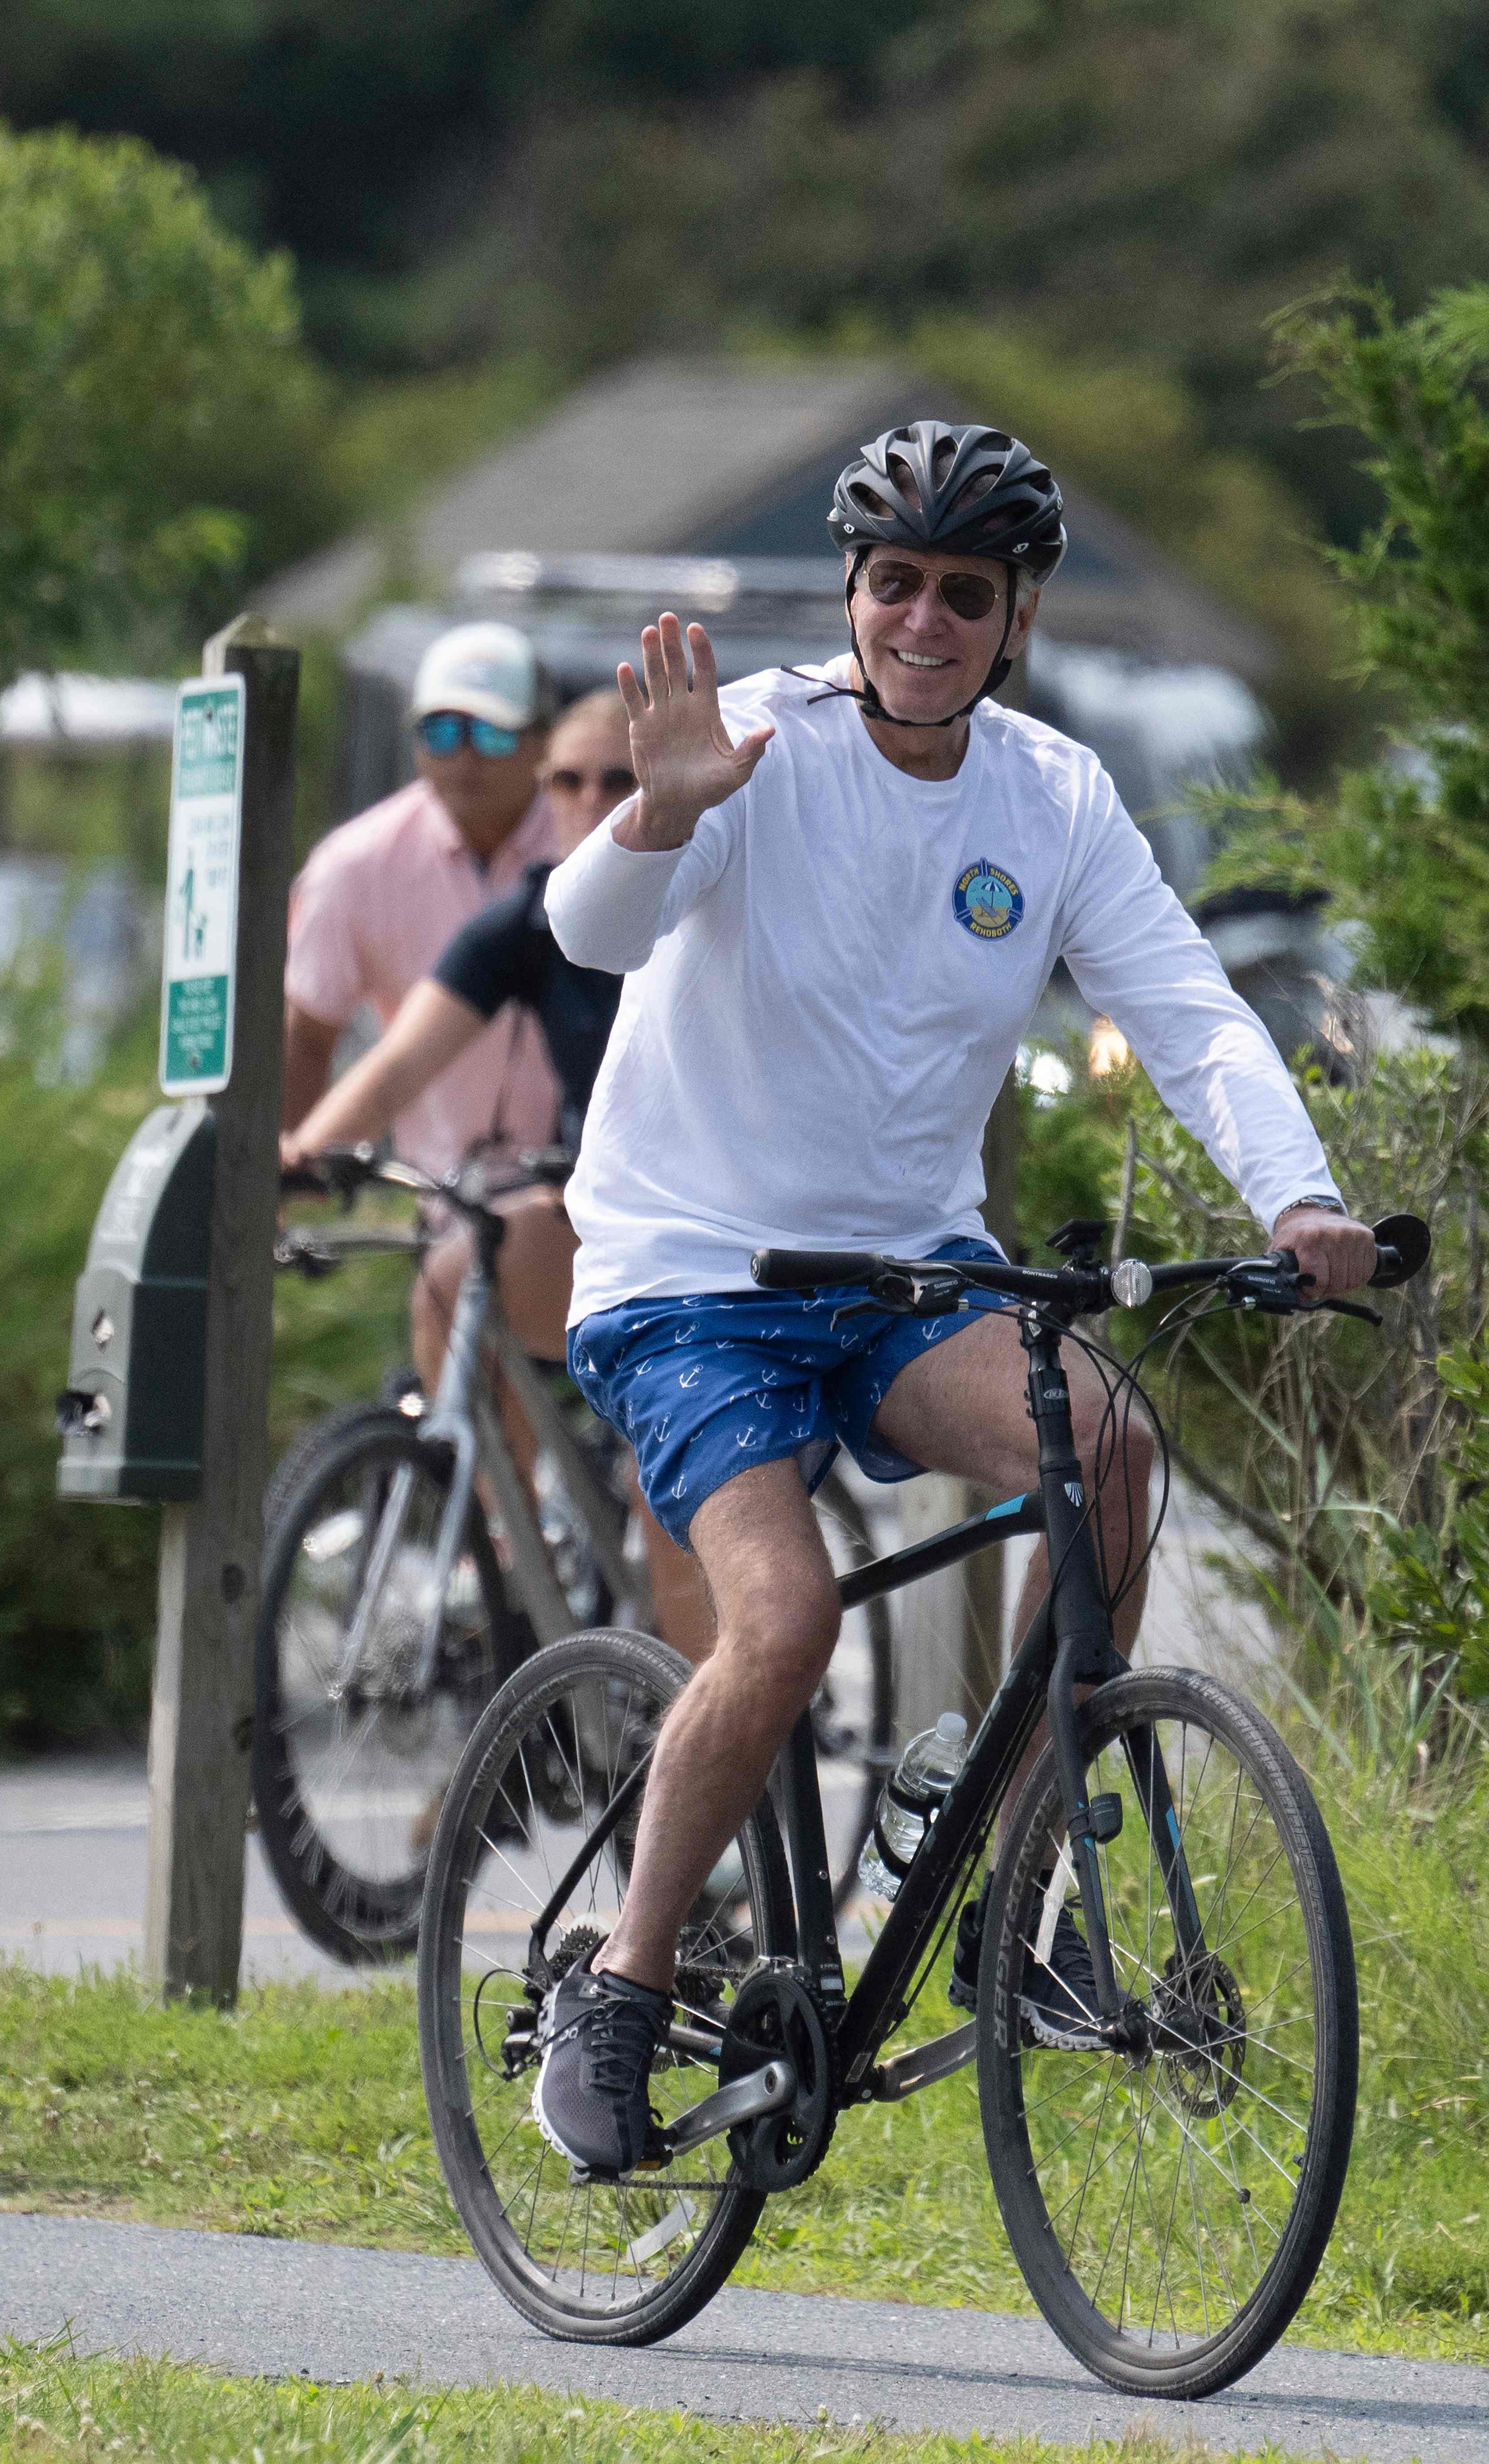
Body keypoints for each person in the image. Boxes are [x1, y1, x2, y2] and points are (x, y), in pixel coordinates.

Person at [525, 422, 1373, 2176]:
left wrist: (1299, 1196)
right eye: (894, 583)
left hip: (909, 1275)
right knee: (785, 1620)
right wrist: (658, 808)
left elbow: (1200, 1012)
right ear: (853, 594)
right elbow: (590, 934)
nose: (922, 618)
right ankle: (625, 1978)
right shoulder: (755, 740)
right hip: (695, 1275)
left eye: (962, 593)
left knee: (1115, 1456)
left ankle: (1018, 1895)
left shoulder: (1053, 798)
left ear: (1016, 620)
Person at [280, 689, 710, 1660]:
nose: (588, 797)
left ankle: (707, 1748)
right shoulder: (535, 916)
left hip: (716, 1228)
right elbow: (396, 1062)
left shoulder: (702, 894)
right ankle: (512, 1554)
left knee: (668, 1491)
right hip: (598, 1212)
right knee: (451, 1277)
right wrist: (300, 1158)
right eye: (566, 778)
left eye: (617, 777)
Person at [282, 620, 565, 1170]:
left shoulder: (597, 849)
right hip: (440, 1202)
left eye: (492, 731)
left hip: (596, 1197)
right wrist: (282, 1190)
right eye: (440, 731)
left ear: (543, 739)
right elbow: (309, 1034)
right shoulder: (351, 867)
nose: (464, 756)